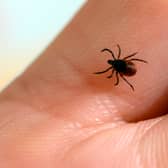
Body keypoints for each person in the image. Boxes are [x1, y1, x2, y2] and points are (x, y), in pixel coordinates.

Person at [0, 1, 167, 167]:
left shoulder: (116, 68)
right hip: (129, 68)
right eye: (111, 60)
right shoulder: (120, 62)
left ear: (115, 61)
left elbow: (116, 76)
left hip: (127, 69)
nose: (110, 61)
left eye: (111, 60)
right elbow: (122, 68)